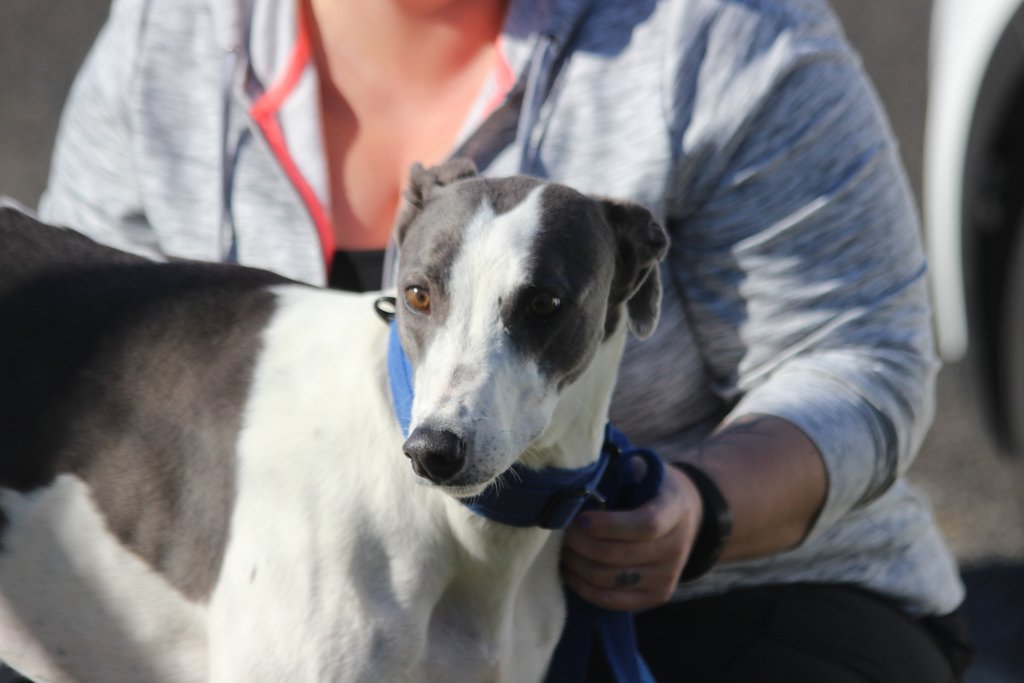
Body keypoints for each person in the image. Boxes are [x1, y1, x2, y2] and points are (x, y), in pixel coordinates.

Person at [39, 0, 973, 680]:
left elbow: (864, 361)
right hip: (333, 605)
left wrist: (703, 506)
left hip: (735, 596)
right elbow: (88, 340)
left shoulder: (726, 36)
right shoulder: (172, 36)